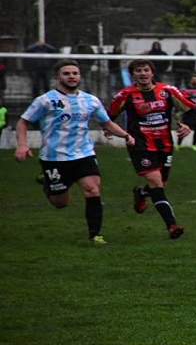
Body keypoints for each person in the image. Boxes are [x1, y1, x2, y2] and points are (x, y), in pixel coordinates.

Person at [14, 60, 134, 244]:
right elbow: (23, 122)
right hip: (54, 158)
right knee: (60, 203)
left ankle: (95, 235)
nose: (71, 76)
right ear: (58, 78)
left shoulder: (91, 100)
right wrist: (23, 144)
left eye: (75, 73)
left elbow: (107, 123)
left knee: (92, 189)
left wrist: (125, 135)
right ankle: (47, 183)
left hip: (83, 154)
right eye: (67, 73)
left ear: (79, 76)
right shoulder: (45, 100)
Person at [108, 59, 195, 239]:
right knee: (156, 182)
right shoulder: (124, 95)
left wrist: (186, 124)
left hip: (165, 144)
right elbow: (109, 117)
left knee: (161, 183)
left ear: (152, 72)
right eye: (138, 71)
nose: (143, 73)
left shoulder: (168, 91)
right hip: (140, 145)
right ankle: (172, 225)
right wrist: (111, 131)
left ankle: (142, 193)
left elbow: (189, 108)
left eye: (146, 70)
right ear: (133, 75)